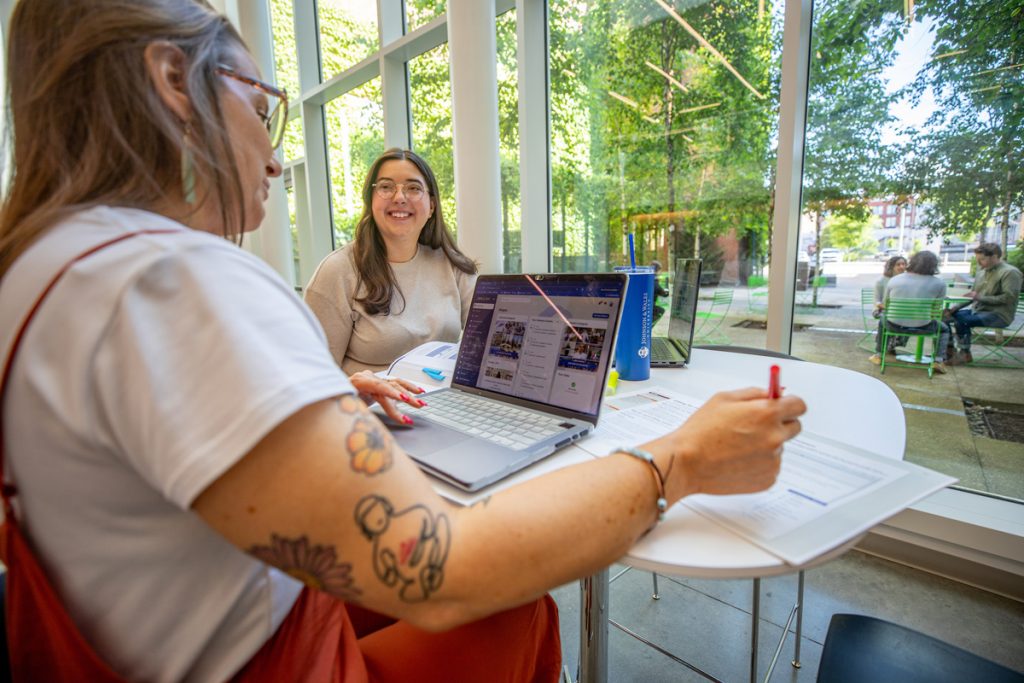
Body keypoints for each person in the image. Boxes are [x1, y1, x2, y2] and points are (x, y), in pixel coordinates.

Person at [0, 1, 806, 681]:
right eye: (261, 105)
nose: (278, 157)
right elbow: (440, 570)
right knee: (512, 605)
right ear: (173, 84)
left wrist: (329, 398)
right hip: (260, 657)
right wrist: (683, 458)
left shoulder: (38, 271)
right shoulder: (173, 277)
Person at [304, 149, 478, 375]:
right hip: (370, 407)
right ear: (371, 200)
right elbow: (313, 377)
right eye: (386, 187)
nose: (399, 197)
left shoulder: (453, 266)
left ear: (432, 206)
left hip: (444, 405)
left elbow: (488, 346)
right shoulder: (337, 271)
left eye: (413, 188)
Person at [869, 251, 951, 373]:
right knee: (944, 329)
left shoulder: (895, 280)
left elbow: (886, 305)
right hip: (924, 327)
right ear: (934, 265)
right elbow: (936, 311)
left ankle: (878, 354)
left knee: (883, 320)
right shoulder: (939, 283)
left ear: (912, 262)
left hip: (893, 325)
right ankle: (938, 360)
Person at [945, 243, 1023, 365]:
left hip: (999, 315)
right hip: (978, 311)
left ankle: (964, 353)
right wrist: (955, 308)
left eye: (982, 259)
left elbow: (1009, 298)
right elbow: (973, 296)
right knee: (945, 317)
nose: (979, 263)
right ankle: (949, 352)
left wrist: (980, 298)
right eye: (978, 260)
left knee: (962, 320)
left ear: (995, 256)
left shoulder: (1010, 272)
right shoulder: (981, 272)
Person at [650, 260, 670, 327]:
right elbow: (665, 294)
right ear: (657, 271)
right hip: (650, 307)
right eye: (660, 270)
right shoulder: (655, 282)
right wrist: (666, 289)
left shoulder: (650, 279)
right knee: (661, 311)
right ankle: (650, 326)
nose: (661, 272)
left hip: (646, 305)